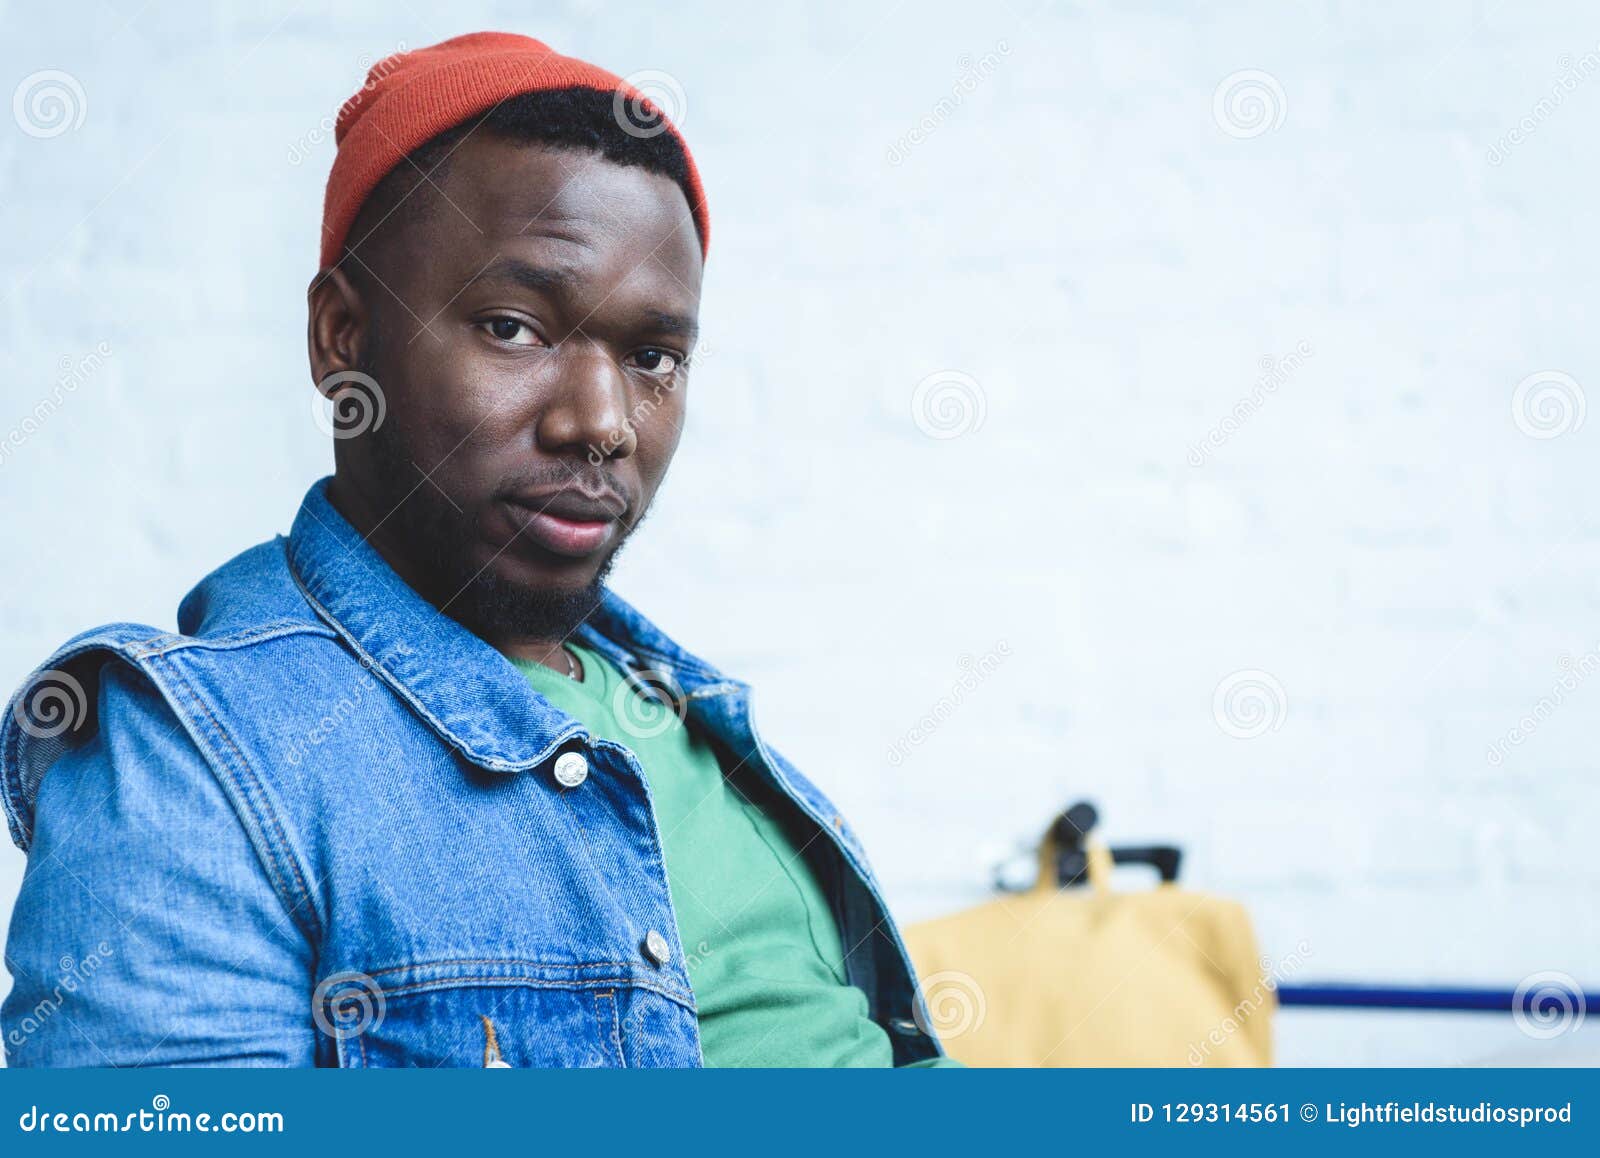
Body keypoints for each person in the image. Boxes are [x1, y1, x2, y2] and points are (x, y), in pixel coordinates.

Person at [0, 32, 953, 1068]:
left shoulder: (694, 716)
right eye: (513, 327)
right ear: (341, 339)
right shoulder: (191, 761)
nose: (603, 421)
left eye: (651, 357)